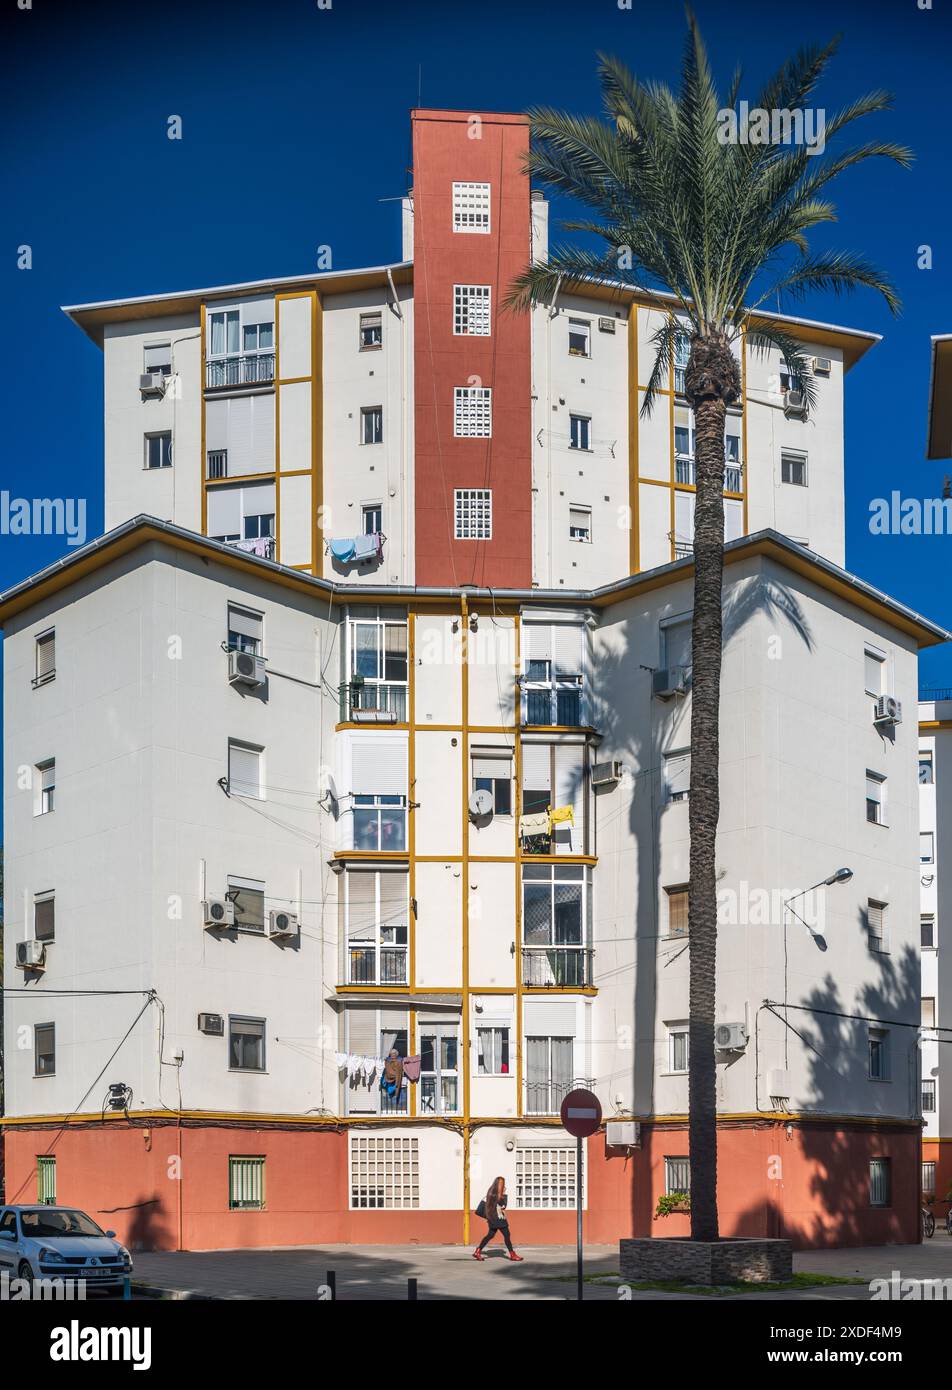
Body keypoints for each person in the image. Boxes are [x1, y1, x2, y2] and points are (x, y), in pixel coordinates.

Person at [473, 1176, 523, 1261]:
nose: (503, 1186)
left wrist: (489, 1217)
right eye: (502, 1184)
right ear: (498, 1185)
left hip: (494, 1220)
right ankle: (512, 1255)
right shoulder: (497, 1196)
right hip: (499, 1219)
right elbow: (503, 1207)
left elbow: (479, 1210)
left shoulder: (489, 1195)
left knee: (490, 1235)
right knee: (507, 1235)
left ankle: (478, 1251)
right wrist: (489, 1216)